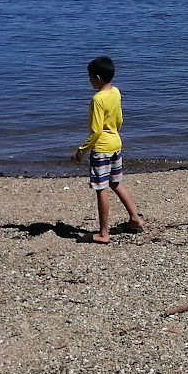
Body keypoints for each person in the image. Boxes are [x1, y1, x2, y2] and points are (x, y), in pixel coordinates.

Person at [70, 55, 144, 244]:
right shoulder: (116, 92)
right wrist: (114, 134)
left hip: (102, 148)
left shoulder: (98, 99)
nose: (89, 81)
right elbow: (119, 119)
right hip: (115, 143)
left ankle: (104, 233)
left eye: (89, 77)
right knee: (116, 183)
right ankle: (135, 218)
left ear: (97, 77)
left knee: (101, 188)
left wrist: (80, 151)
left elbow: (95, 131)